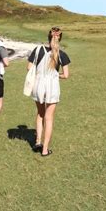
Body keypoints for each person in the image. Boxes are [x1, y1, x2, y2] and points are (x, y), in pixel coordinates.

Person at [26, 27, 70, 156]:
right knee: (49, 118)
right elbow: (66, 75)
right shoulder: (62, 54)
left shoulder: (38, 50)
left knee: (40, 114)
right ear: (59, 38)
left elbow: (29, 67)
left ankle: (38, 141)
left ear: (48, 37)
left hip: (38, 84)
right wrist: (56, 75)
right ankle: (45, 150)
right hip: (52, 86)